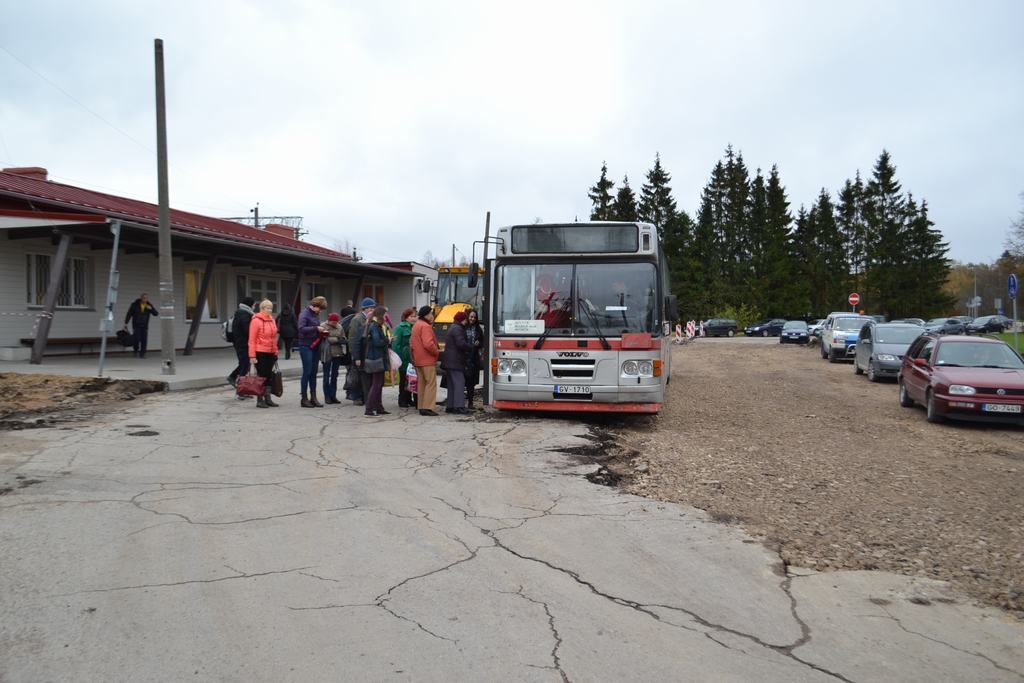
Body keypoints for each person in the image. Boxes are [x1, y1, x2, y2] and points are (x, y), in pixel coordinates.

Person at [248, 299, 280, 409]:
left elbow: (274, 338)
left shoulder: (272, 320)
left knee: (269, 376)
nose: (270, 310)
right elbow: (252, 339)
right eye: (267, 308)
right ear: (261, 308)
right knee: (261, 376)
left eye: (271, 308)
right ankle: (260, 399)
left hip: (270, 351)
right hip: (260, 351)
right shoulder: (256, 320)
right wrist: (252, 355)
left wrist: (275, 351)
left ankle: (268, 398)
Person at [297, 296, 328, 408]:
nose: (320, 311)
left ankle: (313, 397)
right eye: (320, 308)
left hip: (315, 345)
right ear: (315, 305)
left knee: (314, 372)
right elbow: (301, 329)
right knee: (307, 371)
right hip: (305, 345)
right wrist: (316, 328)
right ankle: (304, 398)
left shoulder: (315, 314)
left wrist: (322, 332)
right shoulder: (304, 314)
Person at [360, 305, 391, 417]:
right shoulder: (374, 326)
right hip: (376, 358)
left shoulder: (375, 325)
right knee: (377, 384)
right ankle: (369, 409)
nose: (387, 316)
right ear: (381, 315)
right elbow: (377, 342)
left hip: (376, 358)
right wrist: (388, 340)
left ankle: (379, 408)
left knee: (379, 383)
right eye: (386, 314)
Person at [411, 305, 440, 416]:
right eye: (431, 314)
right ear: (426, 315)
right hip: (427, 359)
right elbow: (428, 344)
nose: (432, 316)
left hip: (418, 359)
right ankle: (428, 407)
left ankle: (422, 406)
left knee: (422, 384)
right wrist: (436, 351)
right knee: (431, 383)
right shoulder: (426, 326)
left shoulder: (416, 325)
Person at [441, 311, 472, 414]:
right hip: (455, 361)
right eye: (465, 320)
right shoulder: (458, 328)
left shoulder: (452, 327)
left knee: (451, 384)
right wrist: (470, 347)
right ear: (462, 319)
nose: (466, 322)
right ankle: (459, 406)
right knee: (459, 383)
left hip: (449, 361)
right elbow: (460, 343)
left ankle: (450, 406)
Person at [349, 297, 377, 406]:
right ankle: (356, 397)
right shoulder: (357, 319)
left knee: (365, 377)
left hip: (365, 353)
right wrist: (355, 356)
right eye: (370, 307)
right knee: (357, 377)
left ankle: (365, 396)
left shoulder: (370, 319)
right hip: (358, 353)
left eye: (373, 307)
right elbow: (352, 338)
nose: (372, 309)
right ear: (364, 308)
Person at [227, 296, 256, 398]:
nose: (254, 307)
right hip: (244, 344)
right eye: (254, 305)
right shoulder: (244, 315)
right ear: (250, 305)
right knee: (244, 366)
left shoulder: (240, 313)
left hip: (240, 343)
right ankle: (240, 390)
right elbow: (247, 331)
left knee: (245, 365)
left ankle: (241, 387)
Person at [391, 307, 417, 408]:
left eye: (415, 316)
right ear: (406, 317)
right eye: (411, 316)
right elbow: (396, 345)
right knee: (404, 380)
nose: (414, 318)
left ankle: (409, 399)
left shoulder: (414, 327)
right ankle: (402, 400)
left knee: (411, 378)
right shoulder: (400, 328)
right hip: (404, 357)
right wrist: (399, 359)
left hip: (412, 357)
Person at [320, 312, 347, 404]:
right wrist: (336, 339)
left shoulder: (340, 327)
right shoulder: (323, 326)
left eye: (336, 322)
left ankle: (333, 395)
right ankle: (327, 396)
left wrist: (341, 340)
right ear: (329, 321)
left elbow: (343, 337)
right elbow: (323, 338)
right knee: (326, 376)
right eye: (333, 322)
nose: (335, 324)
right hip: (326, 353)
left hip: (337, 353)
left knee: (335, 375)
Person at [123, 292, 159, 358]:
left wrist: (151, 309)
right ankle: (136, 350)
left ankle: (142, 354)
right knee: (136, 339)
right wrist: (126, 323)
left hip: (145, 325)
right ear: (141, 298)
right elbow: (129, 314)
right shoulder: (134, 305)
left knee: (144, 339)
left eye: (146, 298)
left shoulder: (149, 305)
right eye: (144, 298)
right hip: (136, 325)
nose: (145, 299)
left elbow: (156, 314)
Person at [463, 309, 484, 410]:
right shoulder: (462, 327)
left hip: (474, 358)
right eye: (471, 317)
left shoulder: (478, 329)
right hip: (464, 357)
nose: (473, 319)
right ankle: (460, 402)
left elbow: (483, 341)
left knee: (471, 383)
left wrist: (479, 343)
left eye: (474, 317)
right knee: (462, 381)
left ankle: (470, 402)